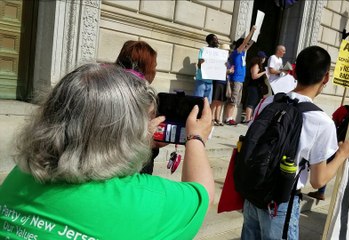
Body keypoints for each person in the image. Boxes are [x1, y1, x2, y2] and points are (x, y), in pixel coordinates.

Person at [0, 64, 214, 239]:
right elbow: (202, 194)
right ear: (123, 134)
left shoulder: (22, 174)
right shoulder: (144, 201)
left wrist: (135, 145)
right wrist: (196, 137)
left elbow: (89, 154)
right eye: (142, 121)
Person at [241, 46, 349, 239]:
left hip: (252, 196)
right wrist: (342, 154)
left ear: (293, 71)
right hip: (281, 204)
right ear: (326, 78)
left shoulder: (268, 102)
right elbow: (318, 180)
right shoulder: (322, 121)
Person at [115, 40, 163, 174]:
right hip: (134, 171)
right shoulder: (144, 98)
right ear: (146, 69)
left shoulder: (107, 90)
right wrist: (154, 141)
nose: (155, 71)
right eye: (154, 67)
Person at [224, 26, 257, 125]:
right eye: (245, 45)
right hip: (235, 79)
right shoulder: (236, 53)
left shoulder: (242, 53)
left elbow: (250, 43)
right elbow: (245, 42)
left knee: (237, 100)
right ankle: (228, 118)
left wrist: (255, 35)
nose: (246, 46)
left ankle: (231, 117)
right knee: (232, 100)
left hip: (240, 80)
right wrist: (251, 31)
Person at [211, 44, 234, 126]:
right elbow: (218, 71)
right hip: (218, 81)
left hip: (225, 81)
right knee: (215, 100)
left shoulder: (228, 61)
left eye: (228, 51)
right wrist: (228, 71)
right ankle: (212, 118)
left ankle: (218, 118)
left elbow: (228, 71)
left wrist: (230, 71)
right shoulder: (219, 60)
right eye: (226, 51)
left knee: (221, 101)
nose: (228, 52)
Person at [243, 51, 268, 123]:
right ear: (261, 58)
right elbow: (254, 76)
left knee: (255, 103)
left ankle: (250, 118)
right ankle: (248, 118)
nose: (264, 60)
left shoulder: (259, 66)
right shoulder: (256, 65)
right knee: (251, 103)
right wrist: (263, 72)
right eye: (263, 58)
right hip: (253, 87)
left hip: (257, 87)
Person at [194, 34, 219, 103]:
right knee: (198, 102)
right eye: (216, 40)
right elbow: (199, 65)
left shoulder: (217, 52)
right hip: (201, 80)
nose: (218, 42)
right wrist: (202, 62)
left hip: (210, 82)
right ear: (211, 41)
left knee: (207, 104)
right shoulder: (203, 50)